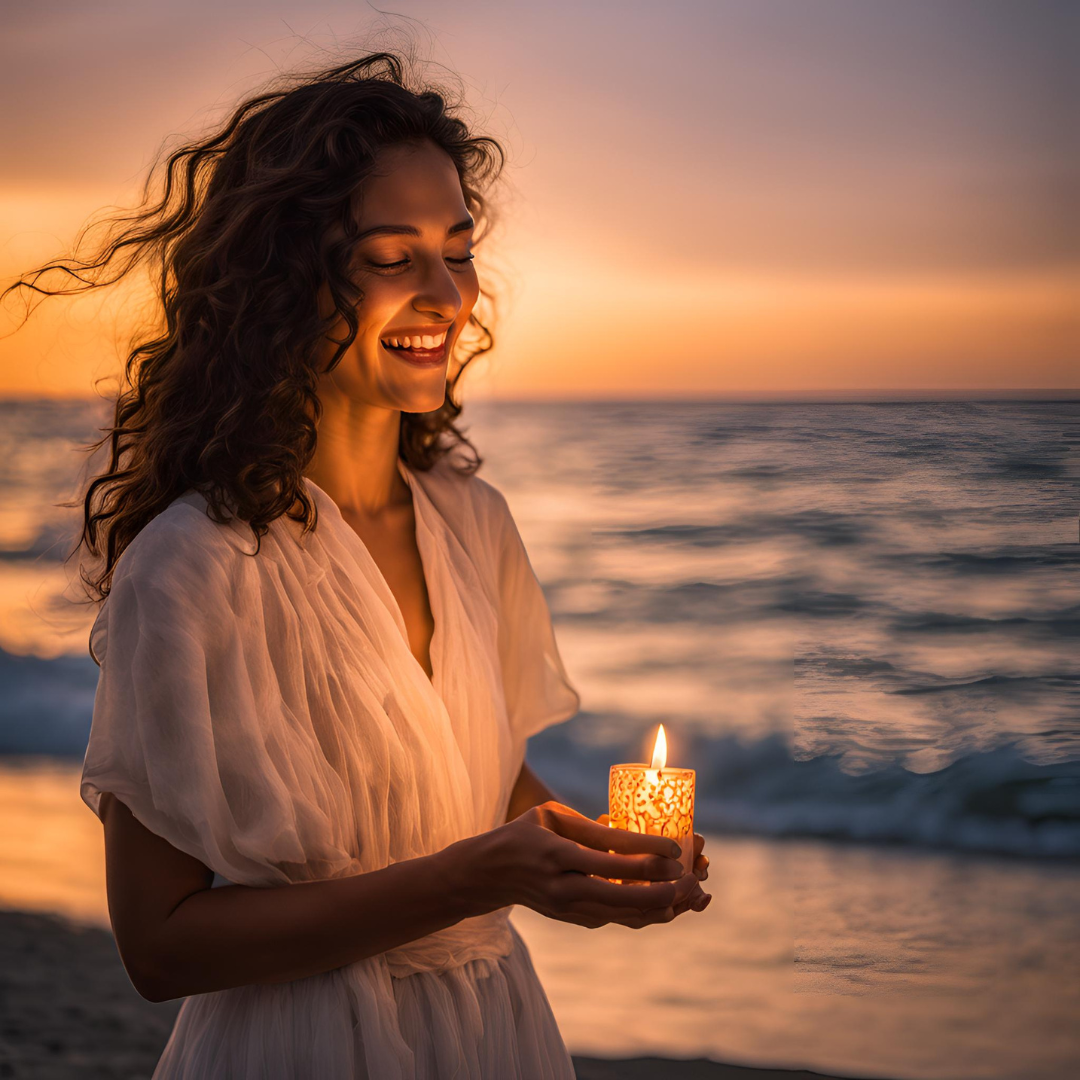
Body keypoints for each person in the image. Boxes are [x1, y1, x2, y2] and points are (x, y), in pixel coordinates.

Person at [13, 49, 710, 1079]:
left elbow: (484, 788)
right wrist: (476, 877)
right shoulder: (193, 566)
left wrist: (590, 861)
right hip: (296, 1046)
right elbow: (160, 949)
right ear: (284, 283)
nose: (446, 294)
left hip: (492, 1034)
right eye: (393, 257)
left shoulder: (476, 526)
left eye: (458, 251)